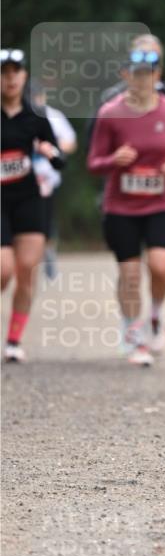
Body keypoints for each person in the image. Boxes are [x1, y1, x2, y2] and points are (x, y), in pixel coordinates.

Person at [87, 43, 165, 366]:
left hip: (163, 201)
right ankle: (133, 333)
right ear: (125, 75)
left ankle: (156, 313)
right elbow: (93, 162)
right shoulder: (109, 112)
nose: (142, 80)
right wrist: (113, 159)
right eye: (136, 74)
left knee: (161, 265)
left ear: (158, 75)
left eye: (148, 73)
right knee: (129, 273)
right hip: (121, 206)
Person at [1, 48, 65, 362]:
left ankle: (13, 340)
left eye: (15, 71)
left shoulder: (36, 117)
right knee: (3, 269)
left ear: (24, 76)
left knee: (27, 270)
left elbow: (57, 155)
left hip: (28, 198)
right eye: (4, 72)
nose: (10, 78)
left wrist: (50, 152)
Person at [29, 82, 78, 280]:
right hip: (22, 178)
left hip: (47, 179)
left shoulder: (54, 117)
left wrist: (51, 148)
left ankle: (47, 249)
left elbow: (70, 142)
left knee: (45, 219)